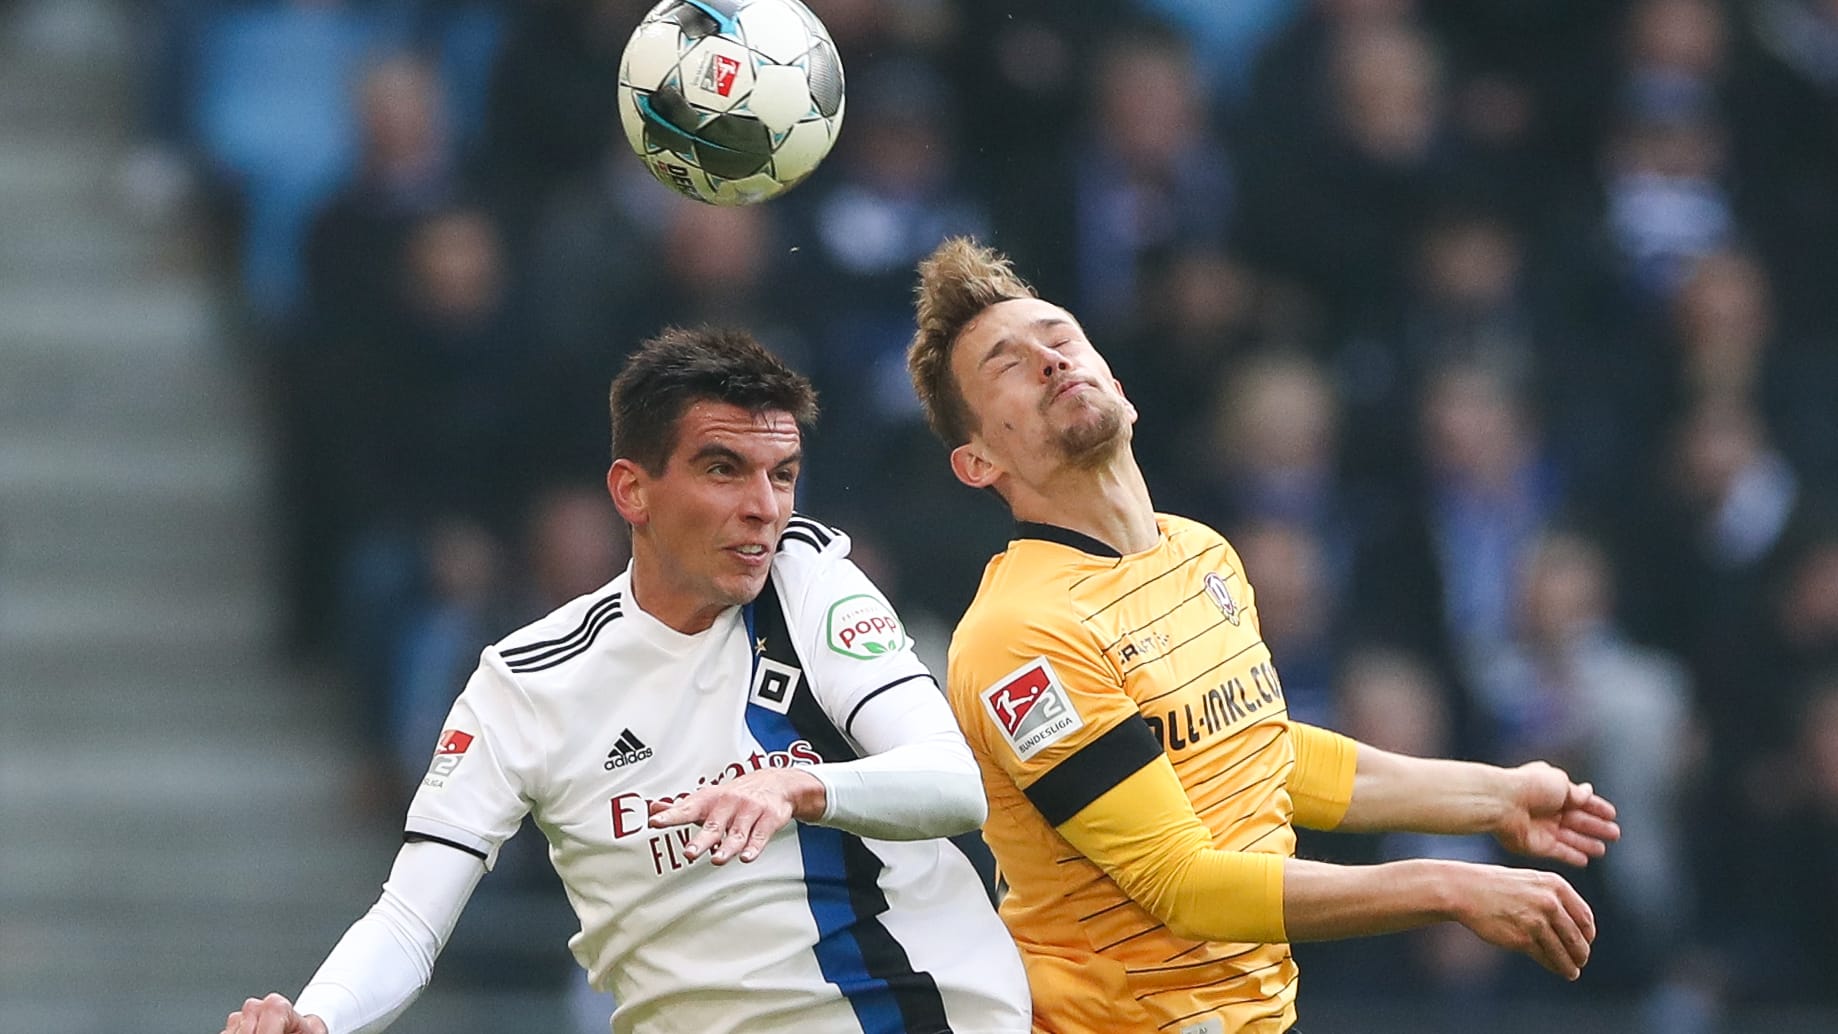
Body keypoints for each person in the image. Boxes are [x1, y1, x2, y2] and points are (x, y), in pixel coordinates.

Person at [222, 327, 1032, 1034]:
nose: (763, 507)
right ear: (632, 490)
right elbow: (408, 921)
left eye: (781, 474)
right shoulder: (526, 682)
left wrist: (799, 787)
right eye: (724, 469)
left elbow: (953, 783)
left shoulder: (811, 585)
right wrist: (319, 1014)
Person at [903, 237, 1622, 1033]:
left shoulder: (1199, 552)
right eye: (1007, 363)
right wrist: (1447, 887)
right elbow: (1182, 882)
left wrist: (1494, 796)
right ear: (976, 463)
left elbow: (1265, 751)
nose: (1049, 360)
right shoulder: (1020, 636)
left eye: (1061, 338)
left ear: (1118, 386)